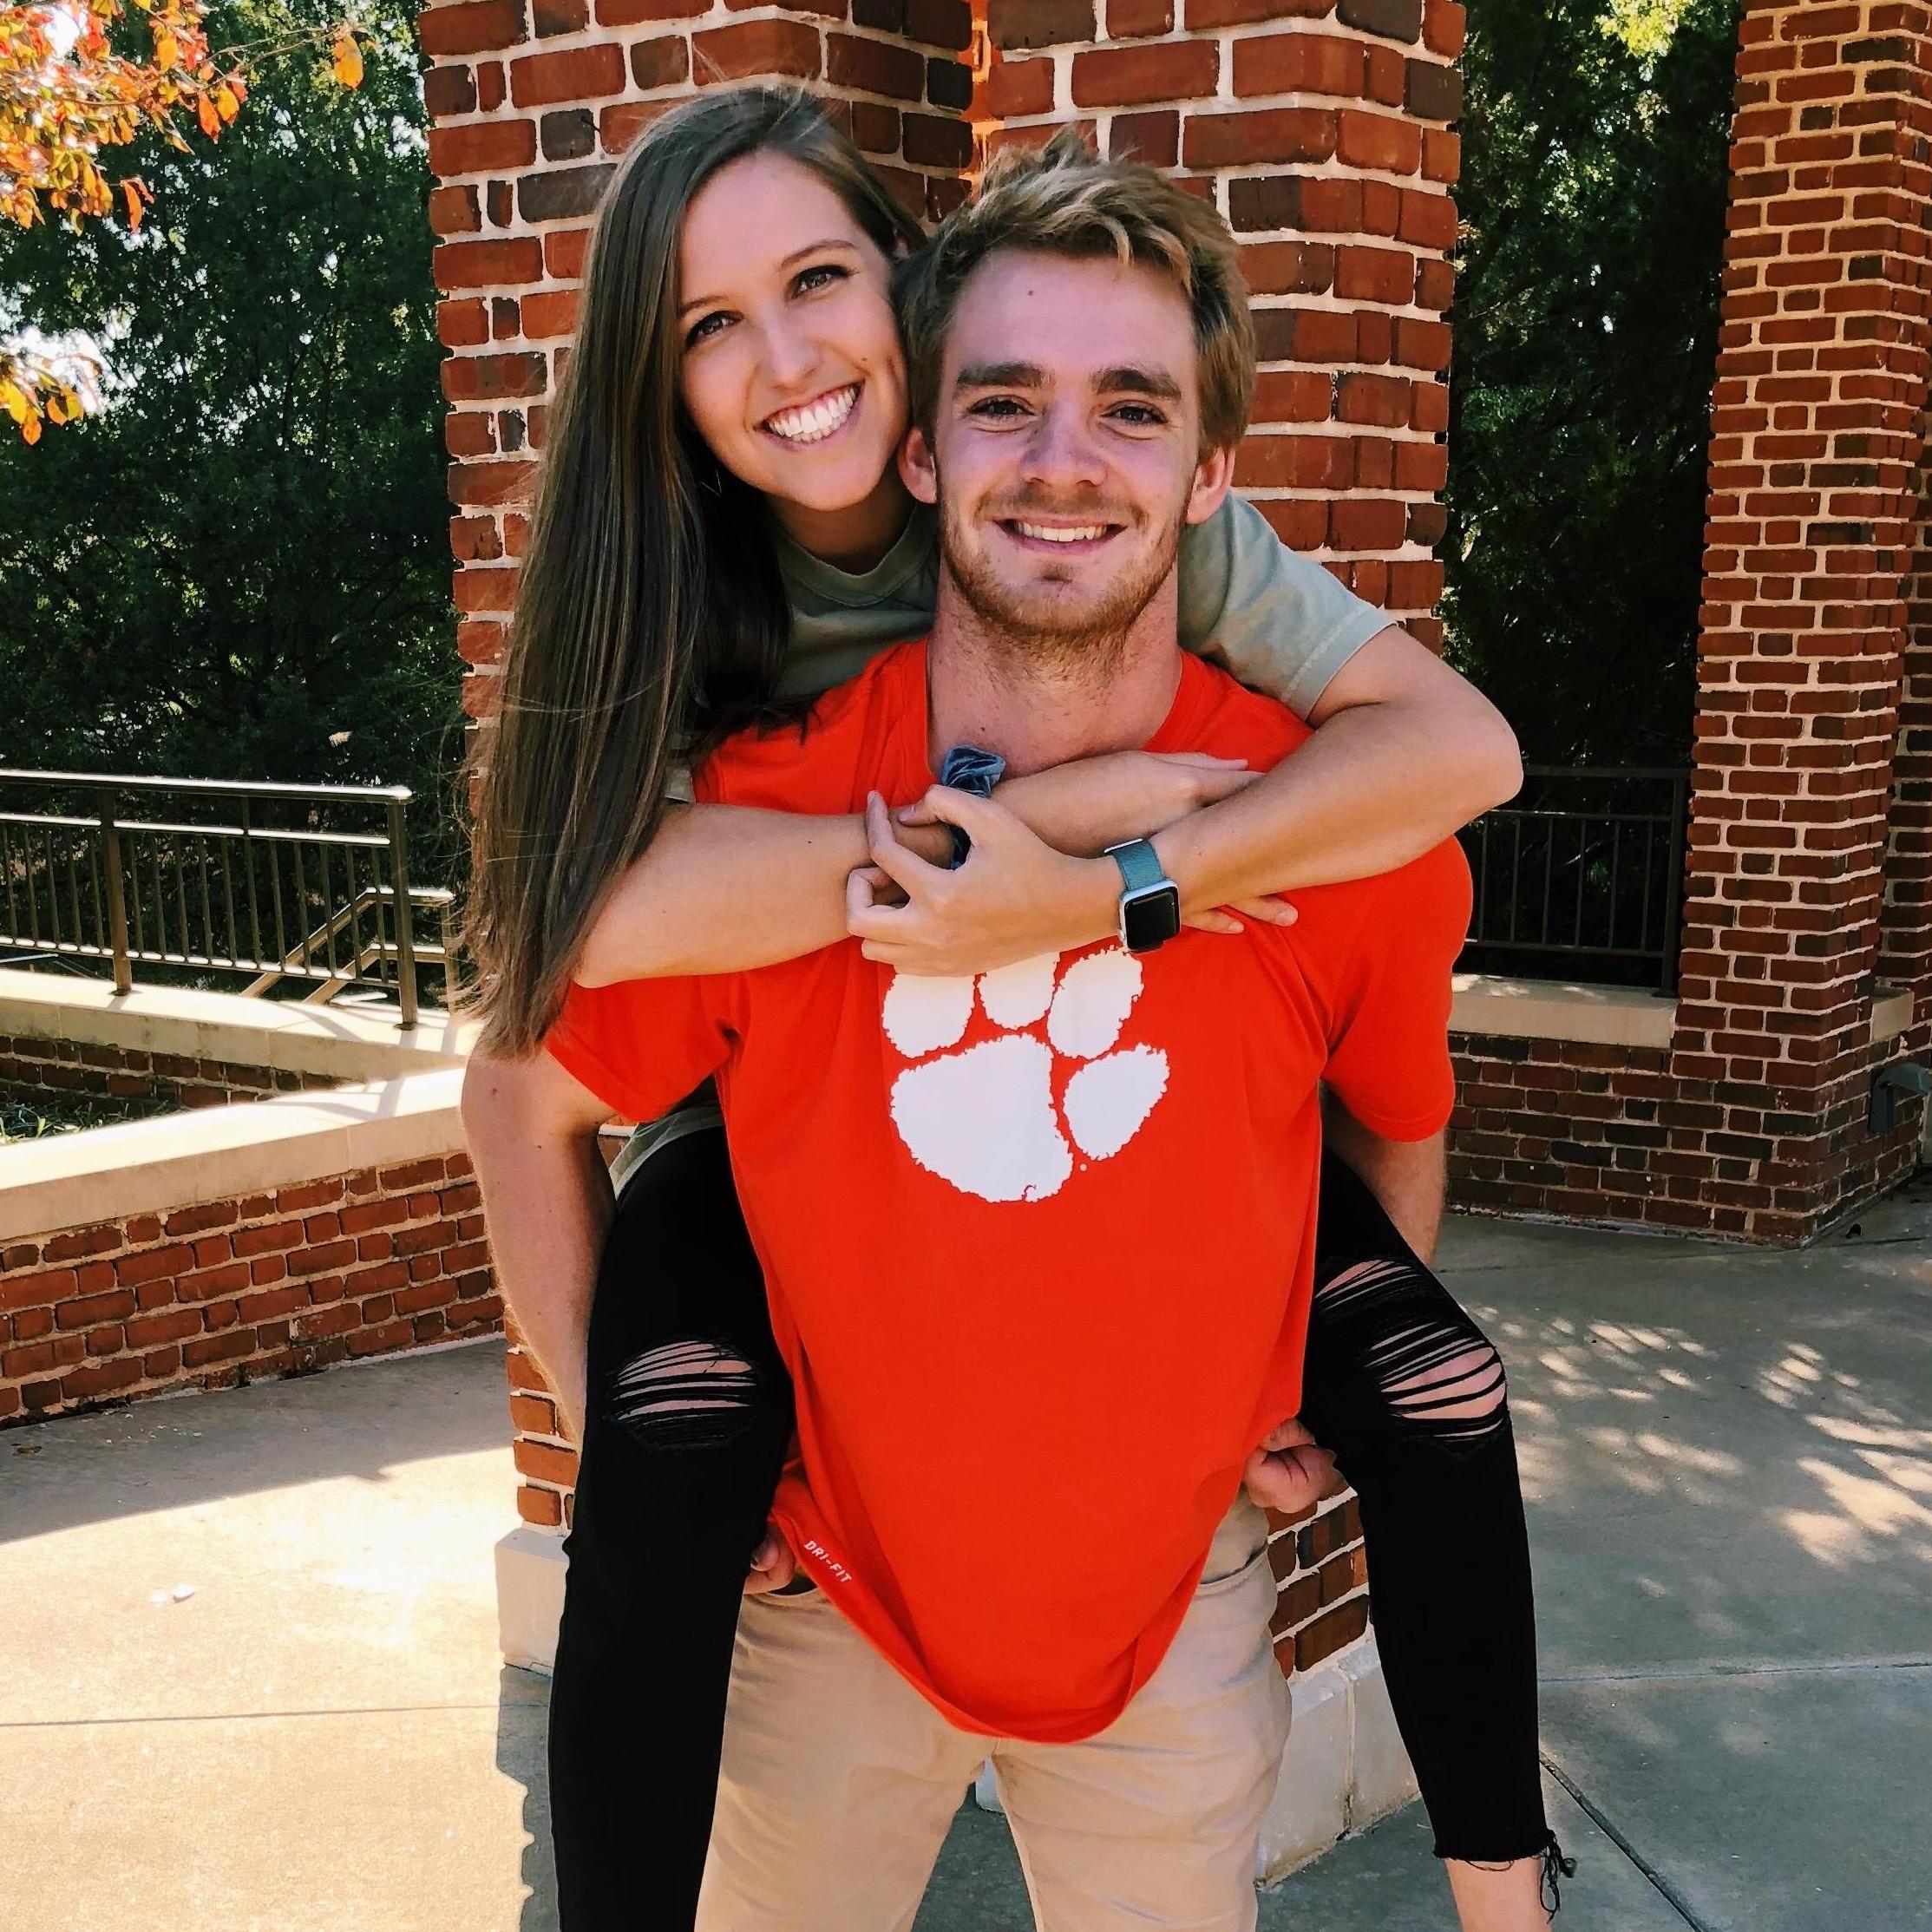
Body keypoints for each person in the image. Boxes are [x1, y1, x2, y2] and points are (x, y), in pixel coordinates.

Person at [460, 90, 1567, 1932]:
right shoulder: (684, 625)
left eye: (1131, 408)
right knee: (669, 1435)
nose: (1064, 455)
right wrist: (999, 851)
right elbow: (533, 1032)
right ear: (929, 434)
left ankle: (1513, 1902)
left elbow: (1446, 838)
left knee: (1434, 1379)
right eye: (707, 326)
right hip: (805, 1426)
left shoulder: (1271, 712)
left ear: (1210, 469)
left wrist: (1108, 887)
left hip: (1159, 1610)